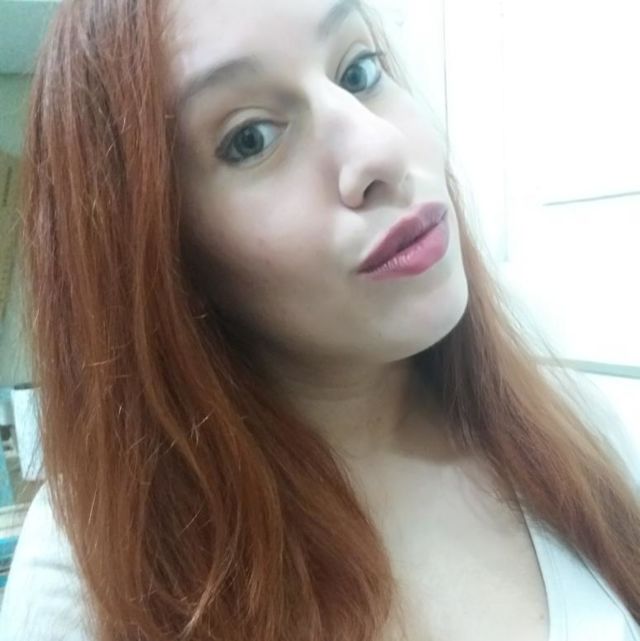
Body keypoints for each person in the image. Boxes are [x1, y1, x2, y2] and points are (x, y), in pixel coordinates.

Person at [1, 0, 639, 639]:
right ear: (160, 254)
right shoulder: (86, 576)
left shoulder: (570, 428)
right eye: (251, 138)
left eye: (359, 72)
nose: (381, 149)